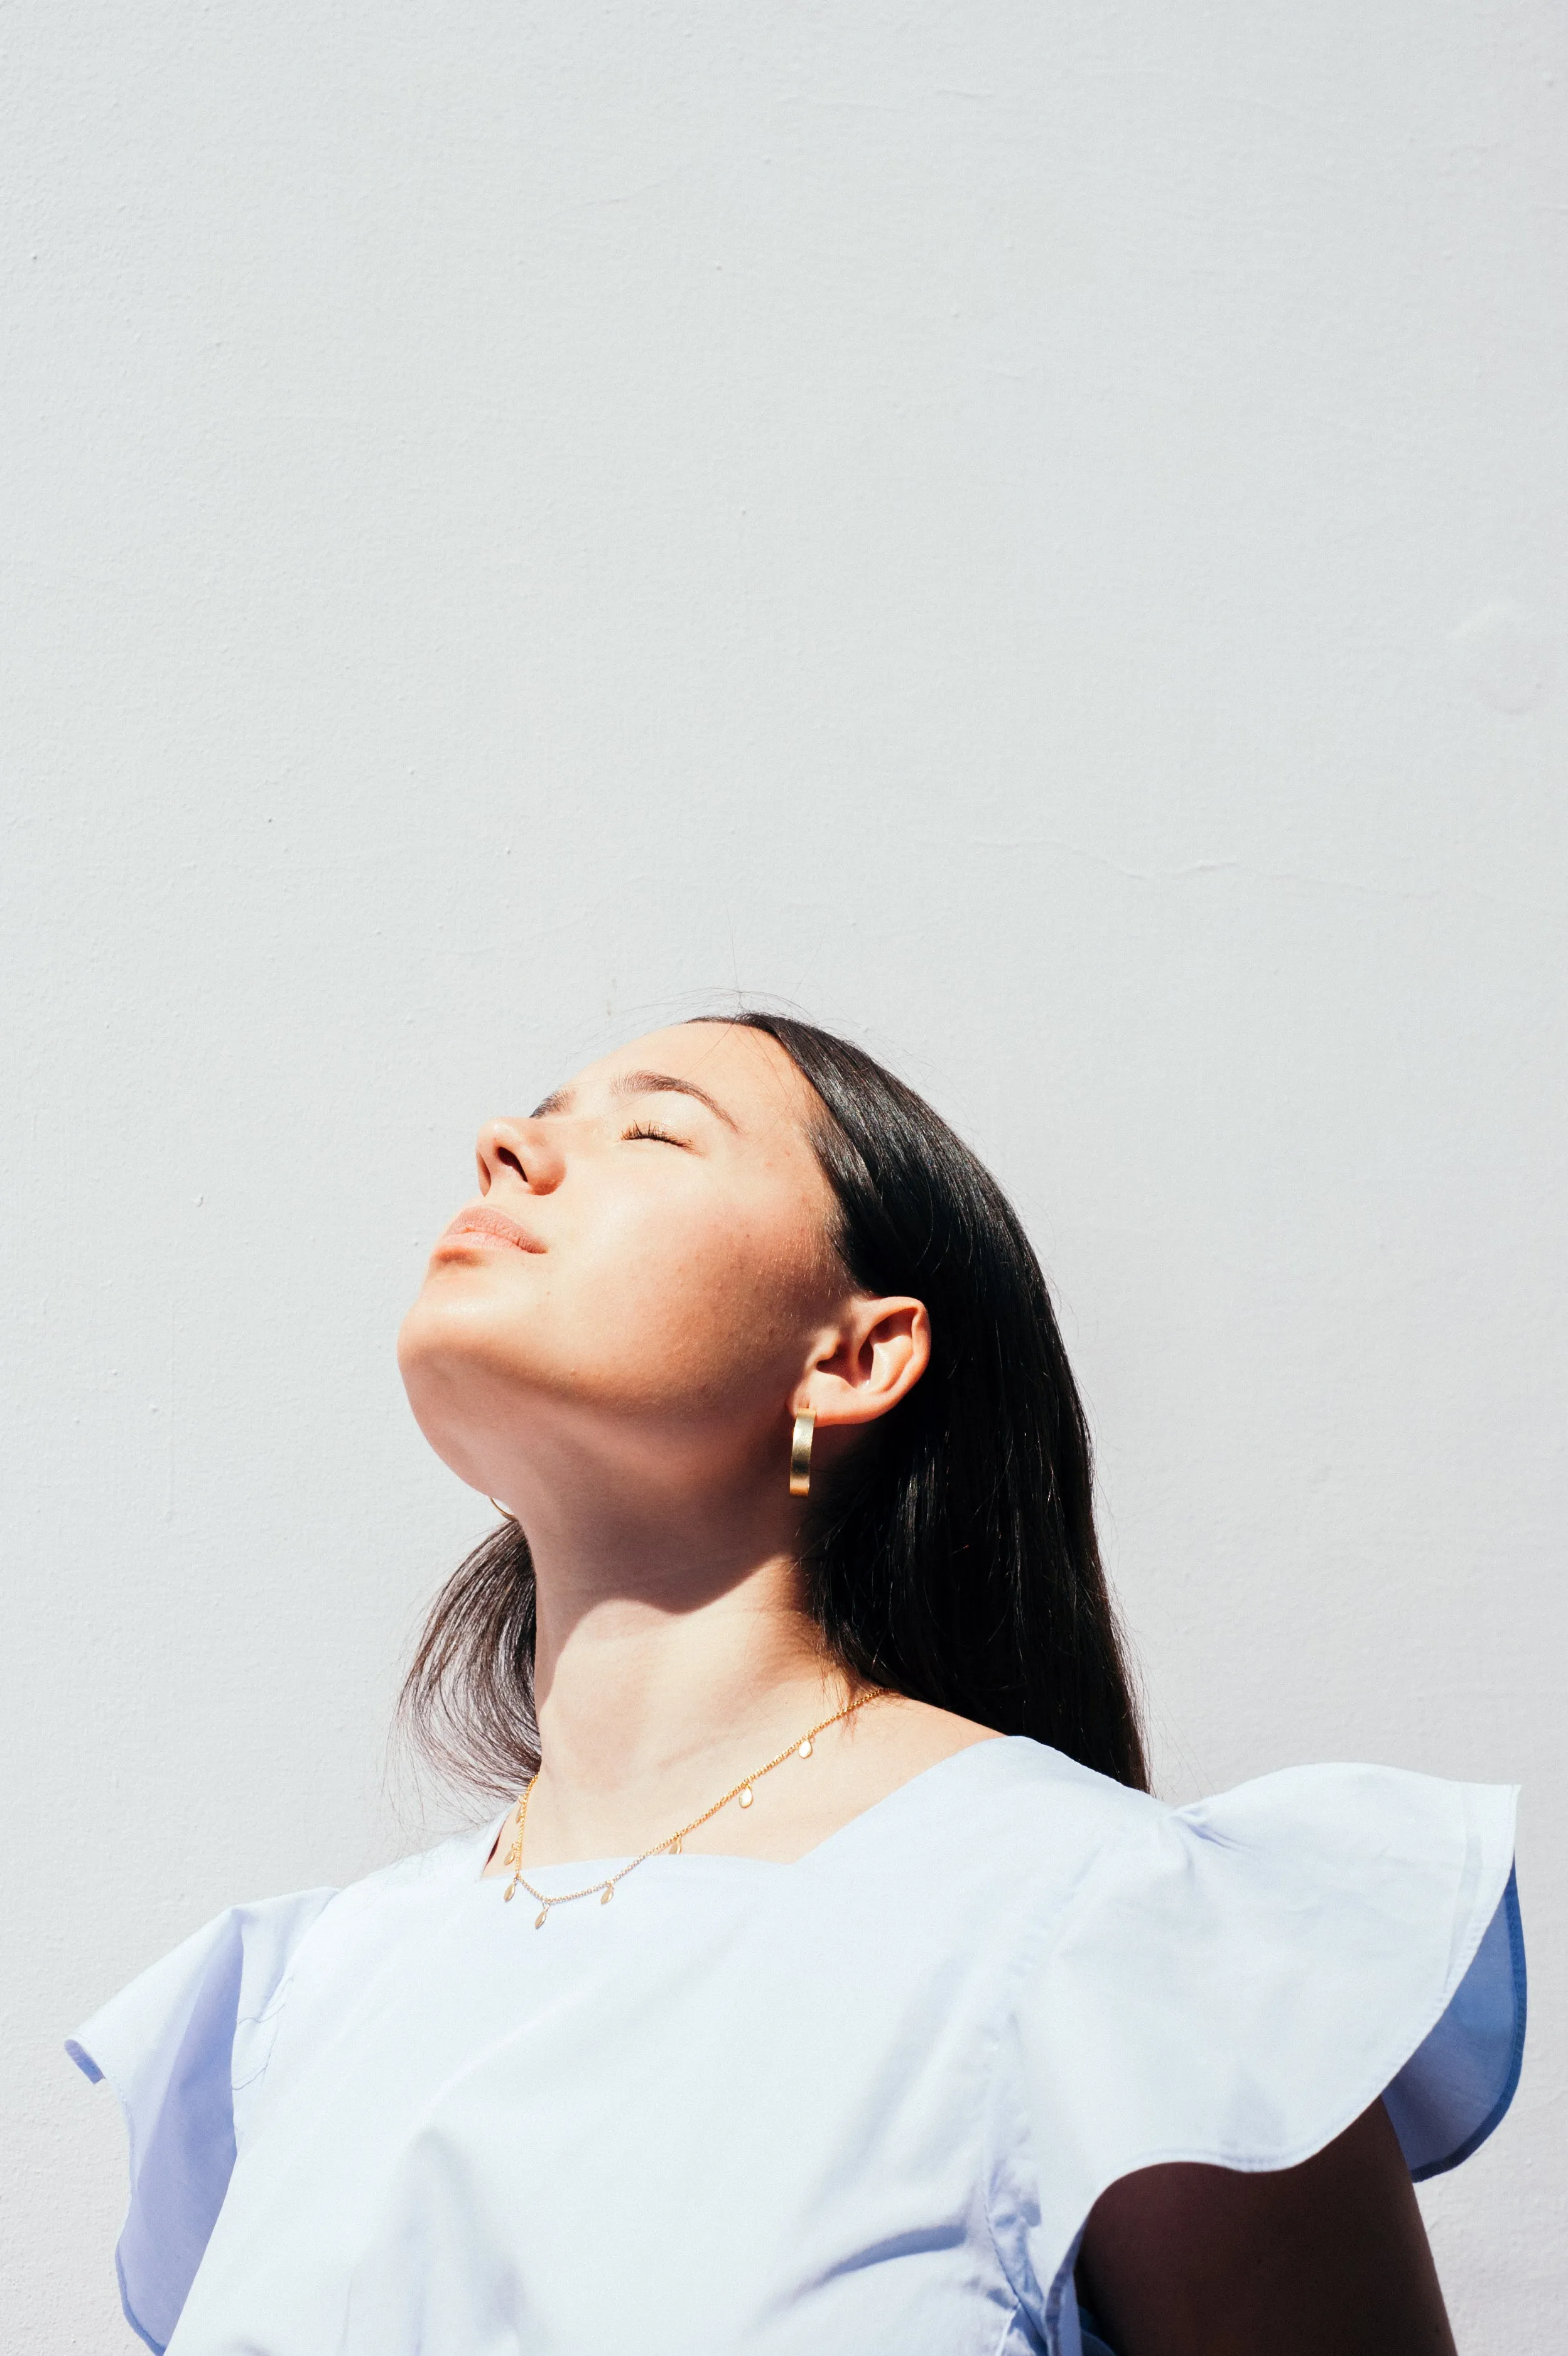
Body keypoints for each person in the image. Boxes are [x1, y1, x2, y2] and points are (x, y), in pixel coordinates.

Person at [69, 1012, 1525, 2356]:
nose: (508, 1148)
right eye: (538, 1114)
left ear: (857, 1353)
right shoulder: (301, 2000)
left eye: (655, 1131)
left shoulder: (1122, 1935)